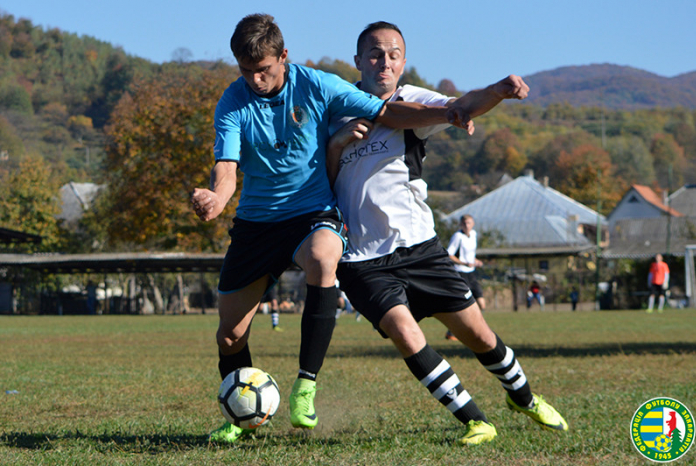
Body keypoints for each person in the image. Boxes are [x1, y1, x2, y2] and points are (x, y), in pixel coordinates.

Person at [191, 14, 476, 444]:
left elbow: (386, 110)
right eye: (246, 71)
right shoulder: (233, 102)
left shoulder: (317, 85)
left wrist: (447, 111)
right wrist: (216, 198)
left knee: (325, 257)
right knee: (230, 334)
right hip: (256, 222)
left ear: (283, 57)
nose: (255, 79)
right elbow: (227, 168)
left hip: (311, 212)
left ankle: (306, 385)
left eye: (264, 70)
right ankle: (239, 417)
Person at [328, 21, 568, 446]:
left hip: (420, 249)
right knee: (406, 334)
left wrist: (496, 90)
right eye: (375, 53)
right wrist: (336, 145)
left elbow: (462, 105)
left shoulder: (413, 100)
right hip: (362, 258)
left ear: (403, 62)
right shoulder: (334, 107)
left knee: (480, 336)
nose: (384, 61)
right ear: (358, 60)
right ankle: (476, 421)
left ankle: (524, 398)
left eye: (393, 54)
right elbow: (321, 178)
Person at [445, 214, 485, 341]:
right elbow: (449, 255)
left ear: (472, 224)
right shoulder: (457, 237)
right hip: (460, 273)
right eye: (464, 223)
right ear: (461, 225)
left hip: (471, 273)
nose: (467, 226)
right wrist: (463, 263)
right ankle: (452, 332)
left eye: (469, 223)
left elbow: (470, 255)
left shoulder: (473, 234)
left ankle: (473, 327)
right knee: (463, 305)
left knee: (481, 304)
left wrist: (476, 261)